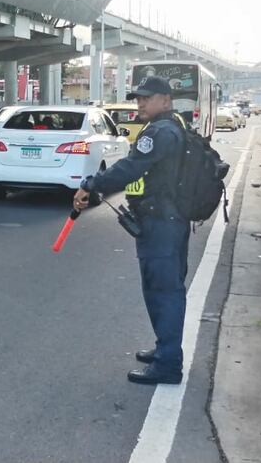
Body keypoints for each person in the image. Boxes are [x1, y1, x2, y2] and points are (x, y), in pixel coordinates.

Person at [72, 76, 190, 385]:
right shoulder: (174, 125)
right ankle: (165, 349)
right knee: (164, 289)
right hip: (170, 220)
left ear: (165, 100)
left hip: (161, 223)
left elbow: (130, 167)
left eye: (146, 98)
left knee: (164, 292)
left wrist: (92, 184)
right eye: (138, 97)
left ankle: (168, 364)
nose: (139, 102)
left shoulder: (160, 132)